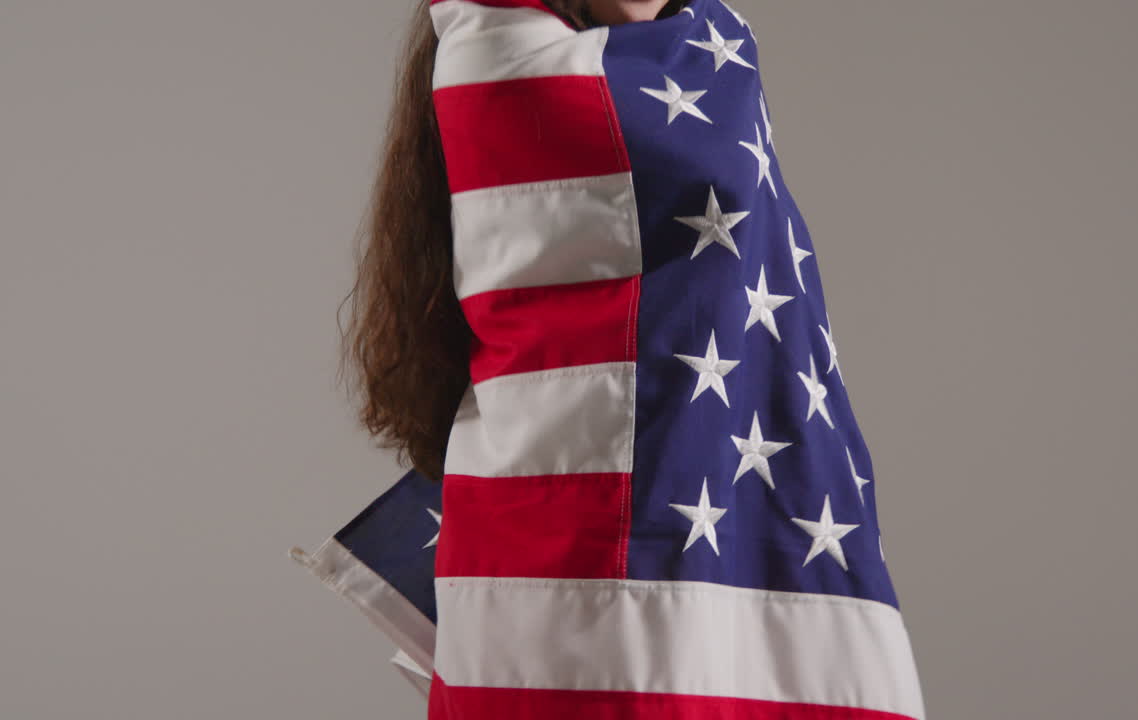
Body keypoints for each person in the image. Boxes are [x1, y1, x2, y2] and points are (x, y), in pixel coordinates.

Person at [315, 0, 927, 717]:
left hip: (695, 519)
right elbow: (690, 153)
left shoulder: (708, 52)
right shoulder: (501, 52)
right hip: (579, 548)